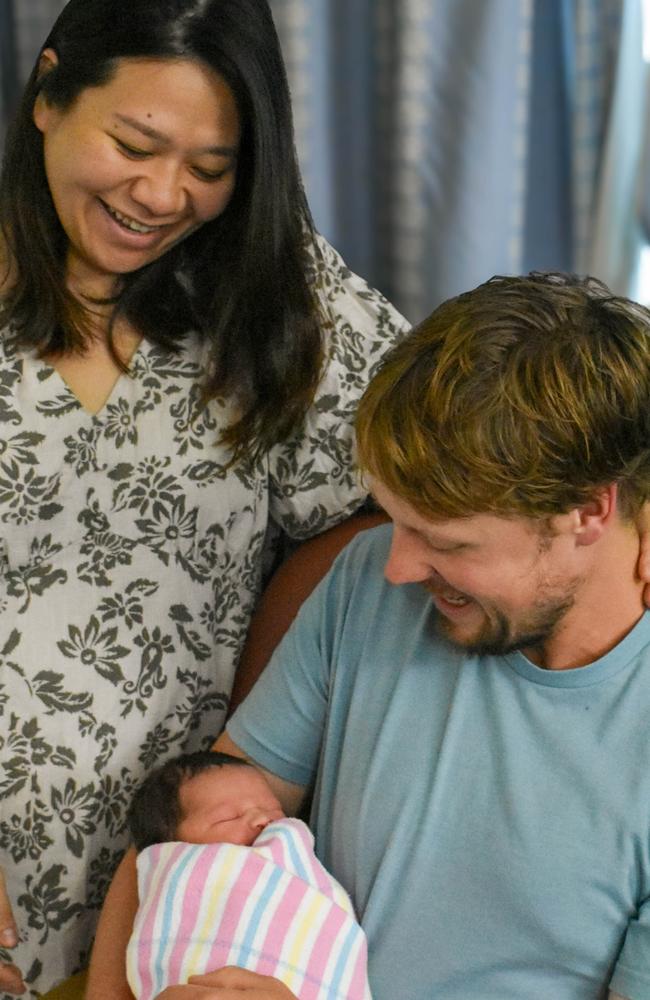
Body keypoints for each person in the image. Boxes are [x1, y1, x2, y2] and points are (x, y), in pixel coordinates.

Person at [90, 271, 650, 998]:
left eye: (446, 542)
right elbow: (180, 835)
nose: (396, 568)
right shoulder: (364, 585)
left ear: (588, 514)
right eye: (395, 520)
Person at [0, 0, 408, 993]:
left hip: (178, 918)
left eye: (211, 167)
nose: (161, 193)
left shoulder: (279, 300)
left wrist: (263, 708)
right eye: (135, 142)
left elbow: (433, 479)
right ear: (49, 93)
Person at [125, 751, 371, 1000]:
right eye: (229, 817)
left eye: (275, 811)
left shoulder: (300, 878)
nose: (264, 819)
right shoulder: (184, 881)